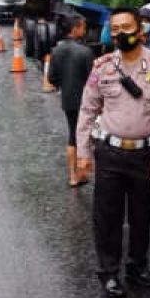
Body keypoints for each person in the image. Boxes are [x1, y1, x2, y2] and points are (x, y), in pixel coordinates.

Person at [76, 7, 150, 298]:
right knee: (107, 216)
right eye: (116, 28)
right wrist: (83, 152)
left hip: (146, 156)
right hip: (109, 153)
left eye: (127, 27)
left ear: (141, 30)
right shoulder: (103, 67)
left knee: (141, 215)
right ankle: (109, 272)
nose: (121, 33)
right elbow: (87, 110)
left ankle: (137, 267)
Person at [48, 14, 94, 187]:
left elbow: (52, 78)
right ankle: (81, 174)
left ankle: (74, 176)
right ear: (74, 29)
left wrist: (64, 84)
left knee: (72, 135)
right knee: (85, 135)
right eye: (82, 27)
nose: (85, 30)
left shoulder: (56, 50)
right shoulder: (85, 52)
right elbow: (93, 80)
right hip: (87, 101)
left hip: (68, 99)